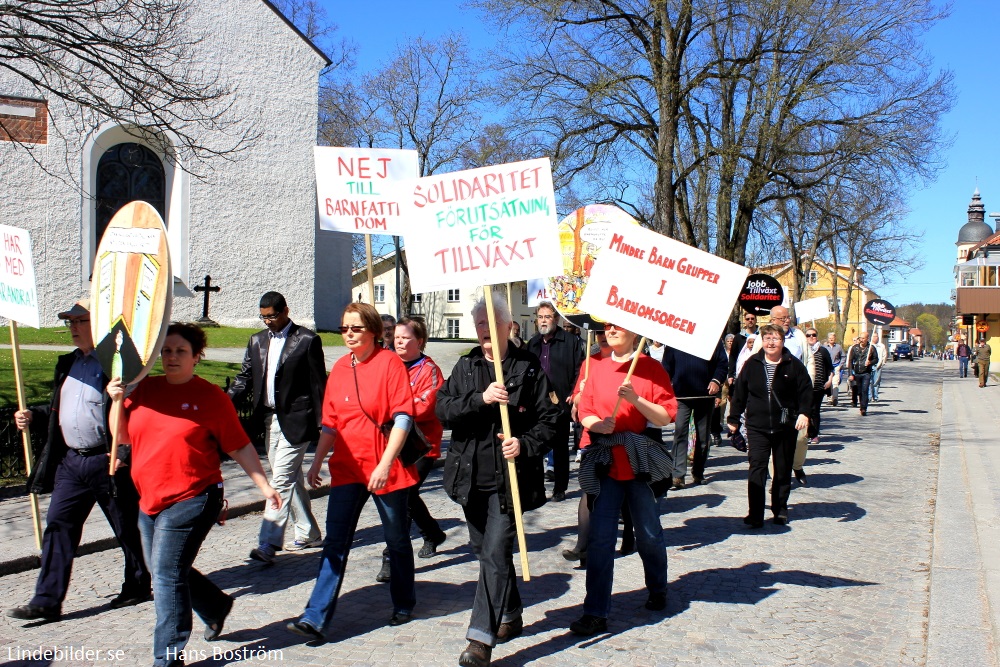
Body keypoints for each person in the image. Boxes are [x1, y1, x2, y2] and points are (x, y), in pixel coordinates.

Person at [109, 323, 280, 665]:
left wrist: (264, 485)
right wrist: (116, 401)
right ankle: (215, 606)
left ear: (196, 357)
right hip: (149, 498)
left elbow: (240, 445)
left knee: (166, 574)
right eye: (167, 351)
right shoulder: (143, 390)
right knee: (168, 567)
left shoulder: (211, 397)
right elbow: (121, 436)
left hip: (194, 496)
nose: (171, 357)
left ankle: (167, 657)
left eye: (180, 351)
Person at [7, 299, 150, 623]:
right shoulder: (67, 363)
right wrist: (33, 415)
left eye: (80, 321)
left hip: (106, 458)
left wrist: (123, 455)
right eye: (69, 321)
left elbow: (133, 411)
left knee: (127, 527)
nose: (72, 327)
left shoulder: (117, 364)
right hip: (71, 463)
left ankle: (139, 583)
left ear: (97, 324)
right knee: (58, 527)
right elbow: (66, 408)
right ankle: (46, 600)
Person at [436, 293, 559, 667]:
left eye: (492, 328)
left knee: (493, 552)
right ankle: (510, 614)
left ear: (509, 327)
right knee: (484, 551)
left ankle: (479, 640)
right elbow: (443, 410)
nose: (486, 336)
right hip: (470, 479)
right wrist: (479, 398)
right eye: (480, 329)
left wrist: (525, 443)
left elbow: (551, 421)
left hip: (510, 481)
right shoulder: (466, 367)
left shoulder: (530, 368)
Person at [287, 303, 418, 641]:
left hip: (383, 467)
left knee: (397, 539)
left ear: (373, 331)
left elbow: (403, 416)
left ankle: (403, 601)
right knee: (335, 543)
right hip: (347, 468)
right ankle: (315, 617)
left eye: (355, 328)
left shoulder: (389, 363)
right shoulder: (341, 367)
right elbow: (331, 422)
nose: (348, 334)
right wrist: (316, 462)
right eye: (345, 328)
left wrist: (386, 463)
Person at [570, 322, 677, 636]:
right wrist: (596, 424)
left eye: (618, 326)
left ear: (634, 331)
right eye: (608, 326)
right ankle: (595, 612)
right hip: (604, 461)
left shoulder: (651, 368)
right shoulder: (594, 365)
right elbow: (583, 409)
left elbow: (666, 415)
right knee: (601, 539)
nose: (611, 330)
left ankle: (657, 587)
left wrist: (636, 399)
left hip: (640, 462)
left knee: (648, 533)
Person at [228, 291, 326, 565]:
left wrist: (323, 424)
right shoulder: (257, 340)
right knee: (290, 478)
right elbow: (246, 376)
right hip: (269, 420)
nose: (268, 321)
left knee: (280, 480)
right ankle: (309, 533)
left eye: (272, 316)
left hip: (298, 420)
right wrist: (224, 404)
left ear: (285, 311)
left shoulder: (307, 340)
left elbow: (319, 384)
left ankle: (268, 542)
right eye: (264, 316)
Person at [374, 317, 448, 582]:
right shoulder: (386, 364)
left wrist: (395, 409)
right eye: (397, 337)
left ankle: (391, 557)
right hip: (392, 444)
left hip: (420, 446)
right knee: (407, 496)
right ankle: (432, 532)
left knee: (403, 497)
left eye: (406, 338)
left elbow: (425, 405)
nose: (400, 342)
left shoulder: (429, 370)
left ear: (420, 341)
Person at [728, 324, 811, 528]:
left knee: (782, 470)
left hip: (785, 426)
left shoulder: (793, 364)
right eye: (767, 339)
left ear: (782, 341)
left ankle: (780, 510)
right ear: (762, 342)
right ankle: (755, 513)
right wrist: (734, 418)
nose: (771, 343)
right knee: (757, 468)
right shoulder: (752, 363)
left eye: (775, 339)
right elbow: (740, 392)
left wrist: (805, 413)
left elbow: (806, 391)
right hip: (757, 425)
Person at [563, 329, 634, 564]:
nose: (604, 335)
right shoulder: (589, 362)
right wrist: (580, 394)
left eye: (608, 331)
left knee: (623, 492)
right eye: (600, 332)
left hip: (624, 435)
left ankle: (629, 534)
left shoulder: (633, 363)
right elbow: (577, 399)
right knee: (588, 489)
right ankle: (583, 546)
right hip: (593, 435)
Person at [527, 301, 585, 502]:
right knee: (535, 446)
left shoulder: (570, 342)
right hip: (536, 404)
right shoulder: (532, 343)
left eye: (547, 317)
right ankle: (535, 486)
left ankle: (560, 487)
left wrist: (574, 393)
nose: (543, 321)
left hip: (561, 402)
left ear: (556, 319)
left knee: (560, 447)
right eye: (540, 317)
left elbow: (580, 369)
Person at [751, 306, 813, 484]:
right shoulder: (762, 338)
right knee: (774, 439)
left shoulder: (799, 336)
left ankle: (797, 465)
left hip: (796, 396)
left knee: (801, 437)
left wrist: (809, 390)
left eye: (788, 317)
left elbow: (808, 361)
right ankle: (777, 478)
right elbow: (753, 365)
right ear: (773, 320)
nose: (787, 321)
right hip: (771, 398)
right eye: (782, 318)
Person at [662, 339, 727, 487]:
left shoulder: (712, 340)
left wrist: (716, 381)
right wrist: (667, 385)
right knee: (680, 433)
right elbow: (666, 366)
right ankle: (678, 474)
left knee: (703, 437)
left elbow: (722, 363)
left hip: (705, 396)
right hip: (681, 396)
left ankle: (698, 471)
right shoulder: (675, 339)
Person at [805, 328, 833, 445]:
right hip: (805, 386)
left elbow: (830, 368)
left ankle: (815, 434)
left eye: (814, 335)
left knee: (815, 410)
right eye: (808, 335)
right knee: (806, 410)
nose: (811, 337)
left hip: (819, 386)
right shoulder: (803, 350)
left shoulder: (823, 351)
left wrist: (830, 381)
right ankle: (807, 432)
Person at [846, 332, 877, 415]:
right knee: (859, 391)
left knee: (865, 390)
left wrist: (870, 362)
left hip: (866, 372)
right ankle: (861, 405)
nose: (862, 340)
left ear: (867, 338)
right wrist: (850, 374)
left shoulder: (871, 348)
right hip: (857, 372)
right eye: (861, 338)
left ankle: (863, 408)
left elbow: (876, 359)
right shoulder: (854, 348)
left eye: (863, 338)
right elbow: (850, 361)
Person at [728, 312, 759, 386]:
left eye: (752, 318)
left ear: (756, 320)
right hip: (742, 373)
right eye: (747, 319)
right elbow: (733, 356)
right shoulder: (738, 337)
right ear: (745, 321)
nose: (750, 320)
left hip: (757, 372)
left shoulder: (761, 336)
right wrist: (731, 375)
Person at [824, 332, 845, 406]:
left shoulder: (838, 347)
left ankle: (835, 398)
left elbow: (843, 356)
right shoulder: (824, 347)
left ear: (835, 338)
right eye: (830, 338)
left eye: (832, 338)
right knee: (828, 383)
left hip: (836, 366)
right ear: (828, 339)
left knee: (835, 383)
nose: (831, 339)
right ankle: (829, 399)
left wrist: (840, 365)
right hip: (827, 367)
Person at [870, 332, 887, 402]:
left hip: (878, 366)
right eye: (873, 336)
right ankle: (869, 396)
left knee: (876, 382)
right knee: (869, 382)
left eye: (876, 336)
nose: (875, 338)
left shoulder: (881, 346)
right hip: (870, 366)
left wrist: (882, 363)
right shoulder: (869, 345)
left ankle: (875, 396)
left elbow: (884, 355)